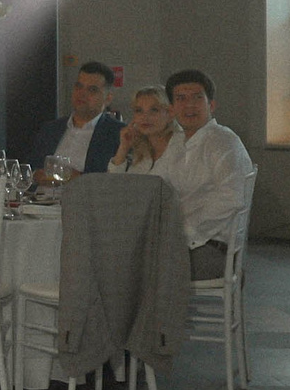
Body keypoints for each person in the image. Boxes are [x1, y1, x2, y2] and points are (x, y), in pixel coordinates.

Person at [151, 69, 256, 280]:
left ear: (211, 105)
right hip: (182, 243)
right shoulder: (178, 142)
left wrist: (181, 233)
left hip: (212, 250)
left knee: (137, 272)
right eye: (181, 99)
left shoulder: (223, 142)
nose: (189, 105)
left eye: (197, 98)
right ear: (172, 109)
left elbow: (231, 199)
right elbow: (154, 184)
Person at [28, 61, 122, 177]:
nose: (82, 94)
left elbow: (114, 180)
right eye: (79, 86)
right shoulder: (50, 129)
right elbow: (29, 169)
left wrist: (77, 178)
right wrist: (36, 175)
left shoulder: (118, 133)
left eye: (92, 90)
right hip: (42, 193)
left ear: (108, 98)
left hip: (85, 193)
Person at [108, 87, 173, 173]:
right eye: (139, 111)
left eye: (154, 110)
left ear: (170, 114)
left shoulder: (181, 147)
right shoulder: (141, 153)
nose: (145, 117)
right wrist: (123, 148)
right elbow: (112, 183)